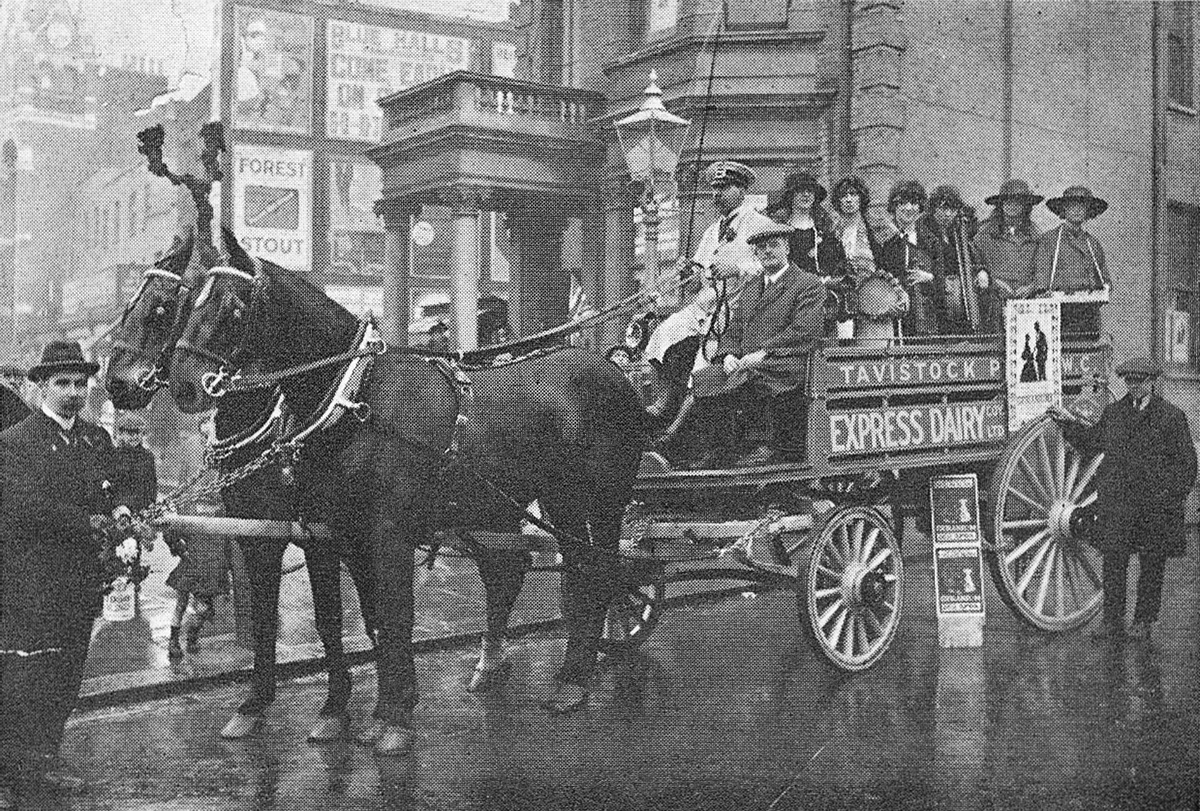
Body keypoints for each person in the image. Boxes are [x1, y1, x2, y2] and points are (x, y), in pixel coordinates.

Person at [0, 342, 124, 805]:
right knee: (27, 680)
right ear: (40, 386)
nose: (73, 393)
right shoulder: (16, 442)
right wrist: (88, 521)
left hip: (81, 582)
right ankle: (18, 776)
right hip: (33, 581)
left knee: (66, 677)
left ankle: (42, 763)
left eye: (80, 383)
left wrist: (122, 507)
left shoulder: (97, 439)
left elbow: (114, 485)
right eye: (62, 384)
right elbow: (22, 507)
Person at [1050, 357, 1197, 644]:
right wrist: (1067, 425)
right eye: (1130, 381)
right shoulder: (1115, 413)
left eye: (1139, 381)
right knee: (1113, 562)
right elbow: (1093, 441)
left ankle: (1143, 621)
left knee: (1151, 565)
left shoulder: (1171, 416)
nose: (1134, 386)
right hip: (1119, 504)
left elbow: (1186, 465)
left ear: (1152, 382)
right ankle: (1112, 621)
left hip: (1155, 507)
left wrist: (1170, 496)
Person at [656, 221, 826, 468]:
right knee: (705, 377)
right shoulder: (751, 288)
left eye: (774, 245)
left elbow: (804, 330)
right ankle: (710, 446)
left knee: (745, 380)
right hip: (748, 363)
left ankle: (763, 445)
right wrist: (727, 355)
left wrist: (764, 352)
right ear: (755, 253)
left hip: (787, 363)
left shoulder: (807, 284)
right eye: (762, 248)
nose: (767, 251)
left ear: (787, 249)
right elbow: (734, 330)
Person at [642, 160, 774, 421]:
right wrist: (689, 273)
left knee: (703, 365)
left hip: (735, 309)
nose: (716, 194)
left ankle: (681, 428)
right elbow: (699, 279)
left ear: (741, 191)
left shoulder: (760, 224)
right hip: (704, 306)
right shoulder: (712, 231)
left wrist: (736, 267)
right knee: (662, 334)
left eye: (724, 188)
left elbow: (770, 266)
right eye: (714, 188)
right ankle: (664, 399)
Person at [164, 415, 231, 660]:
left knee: (205, 605)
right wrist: (178, 540)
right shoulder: (193, 449)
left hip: (214, 547)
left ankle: (192, 632)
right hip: (194, 544)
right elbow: (184, 489)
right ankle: (174, 638)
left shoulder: (224, 453)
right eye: (208, 423)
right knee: (182, 600)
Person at [1033, 186, 1111, 338]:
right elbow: (1041, 272)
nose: (1076, 211)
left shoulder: (1093, 244)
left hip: (1087, 314)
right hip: (1059, 313)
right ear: (1064, 211)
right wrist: (1043, 291)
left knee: (1088, 354)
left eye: (1081, 207)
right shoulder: (1050, 240)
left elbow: (1104, 278)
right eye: (1071, 206)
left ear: (1088, 211)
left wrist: (1104, 288)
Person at [972, 179, 1043, 333]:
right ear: (1000, 204)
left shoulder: (1036, 237)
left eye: (1018, 202)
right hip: (994, 305)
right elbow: (974, 265)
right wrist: (992, 281)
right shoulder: (985, 235)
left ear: (1026, 206)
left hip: (1027, 304)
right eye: (1008, 201)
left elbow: (1044, 270)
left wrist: (1032, 286)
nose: (1012, 205)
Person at [922, 185, 985, 334]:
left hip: (959, 301)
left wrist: (982, 271)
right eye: (943, 209)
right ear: (933, 209)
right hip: (935, 302)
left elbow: (974, 260)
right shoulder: (924, 233)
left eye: (952, 209)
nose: (948, 214)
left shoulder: (958, 234)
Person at [877, 180, 938, 336]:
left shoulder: (930, 240)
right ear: (894, 207)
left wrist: (930, 276)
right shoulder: (883, 239)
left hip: (925, 316)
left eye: (914, 203)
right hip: (891, 314)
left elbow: (942, 274)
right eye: (903, 203)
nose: (909, 208)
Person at [829, 176, 884, 337]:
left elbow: (892, 258)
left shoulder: (875, 225)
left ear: (861, 198)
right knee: (845, 346)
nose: (848, 200)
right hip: (844, 299)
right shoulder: (833, 230)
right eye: (843, 196)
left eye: (853, 194)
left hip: (873, 295)